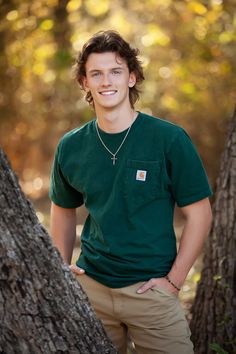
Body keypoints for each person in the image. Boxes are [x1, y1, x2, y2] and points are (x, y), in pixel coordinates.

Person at [49, 30, 213, 354]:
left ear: (132, 78)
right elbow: (63, 210)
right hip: (91, 289)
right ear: (84, 82)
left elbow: (200, 214)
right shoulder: (71, 146)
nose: (106, 81)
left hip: (151, 292)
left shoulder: (169, 139)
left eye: (115, 71)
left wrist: (174, 282)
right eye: (96, 73)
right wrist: (61, 269)